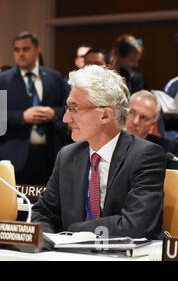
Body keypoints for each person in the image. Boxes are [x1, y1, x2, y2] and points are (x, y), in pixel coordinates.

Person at [32, 65, 166, 239]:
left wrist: (73, 231)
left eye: (74, 108)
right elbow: (42, 213)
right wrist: (49, 243)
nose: (65, 118)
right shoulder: (67, 156)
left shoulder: (145, 155)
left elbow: (136, 226)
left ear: (105, 115)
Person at [0, 31, 68, 186]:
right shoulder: (1, 80)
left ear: (38, 50)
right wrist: (22, 117)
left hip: (49, 156)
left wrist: (54, 114)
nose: (21, 54)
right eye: (17, 50)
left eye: (26, 49)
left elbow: (69, 110)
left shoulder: (54, 77)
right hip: (14, 156)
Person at [125, 90, 177, 157]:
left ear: (152, 125)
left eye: (143, 117)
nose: (135, 121)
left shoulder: (166, 150)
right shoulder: (110, 140)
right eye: (132, 113)